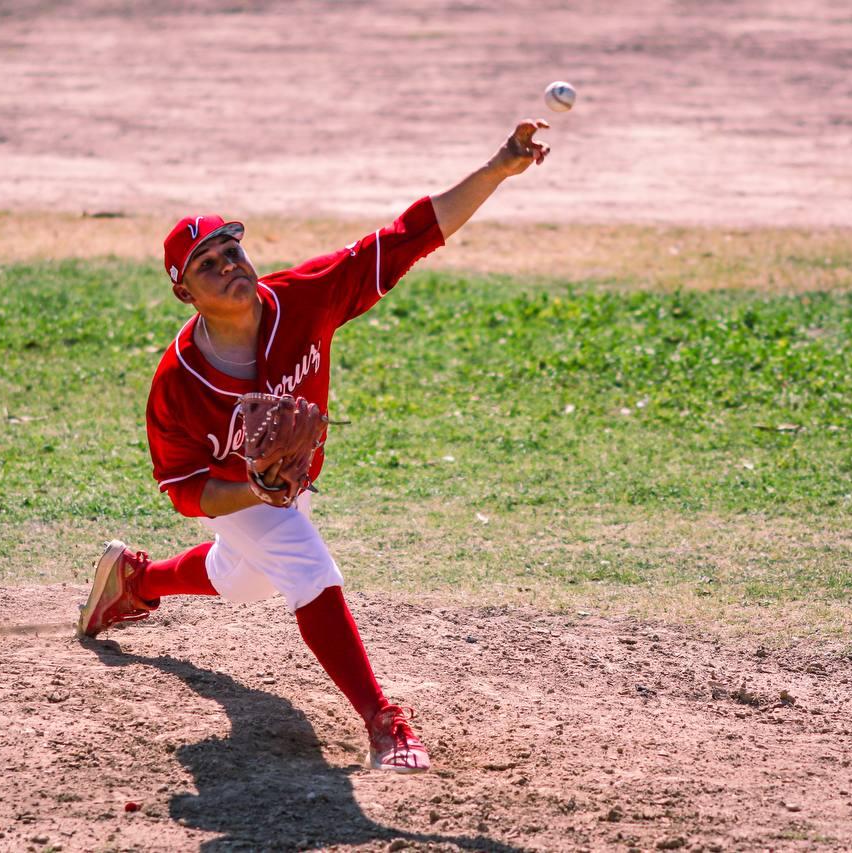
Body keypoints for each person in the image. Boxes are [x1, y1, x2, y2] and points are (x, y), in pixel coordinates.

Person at [77, 119, 551, 773]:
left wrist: (497, 168)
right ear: (185, 292)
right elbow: (183, 486)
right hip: (236, 489)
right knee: (305, 566)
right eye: (206, 265)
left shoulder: (303, 299)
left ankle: (138, 579)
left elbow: (408, 236)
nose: (227, 267)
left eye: (230, 251)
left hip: (283, 487)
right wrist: (254, 491)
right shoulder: (177, 383)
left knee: (239, 578)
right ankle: (386, 723)